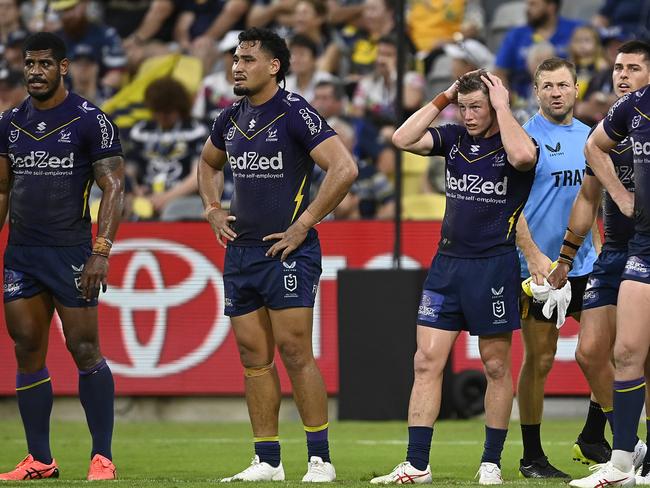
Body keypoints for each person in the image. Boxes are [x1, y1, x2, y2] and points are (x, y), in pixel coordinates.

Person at [197, 27, 357, 482]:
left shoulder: (294, 113)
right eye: (236, 58)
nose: (237, 66)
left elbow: (344, 168)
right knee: (253, 357)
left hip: (287, 252)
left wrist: (303, 225)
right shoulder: (229, 118)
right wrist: (211, 208)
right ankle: (267, 460)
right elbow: (208, 164)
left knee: (294, 351)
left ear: (273, 67)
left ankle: (319, 459)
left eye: (248, 58)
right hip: (241, 251)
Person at [370, 69, 537, 485]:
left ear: (496, 103)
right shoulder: (454, 140)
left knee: (496, 366)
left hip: (494, 267)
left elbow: (523, 159)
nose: (468, 115)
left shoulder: (516, 141)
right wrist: (444, 97)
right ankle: (417, 464)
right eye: (464, 108)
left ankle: (491, 461)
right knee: (426, 361)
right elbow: (402, 139)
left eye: (476, 106)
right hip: (447, 266)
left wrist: (501, 107)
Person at [0, 32, 125, 481]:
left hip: (72, 253)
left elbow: (114, 187)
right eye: (29, 63)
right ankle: (39, 458)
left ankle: (102, 456)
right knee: (27, 349)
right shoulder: (9, 122)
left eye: (44, 64)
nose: (35, 71)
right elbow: (1, 189)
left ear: (64, 67)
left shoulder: (92, 121)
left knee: (84, 348)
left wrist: (101, 251)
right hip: (22, 255)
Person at [547, 40, 650, 488]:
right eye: (617, 68)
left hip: (641, 250)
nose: (622, 75)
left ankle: (629, 452)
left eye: (633, 68)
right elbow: (588, 198)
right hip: (615, 254)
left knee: (635, 353)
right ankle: (628, 444)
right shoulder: (616, 128)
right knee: (592, 351)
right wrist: (566, 258)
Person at [514, 57, 594, 479]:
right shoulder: (525, 139)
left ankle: (595, 434)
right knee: (540, 359)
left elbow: (595, 201)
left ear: (577, 88)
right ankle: (531, 456)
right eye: (548, 86)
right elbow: (512, 206)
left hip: (587, 264)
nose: (556, 92)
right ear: (537, 91)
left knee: (608, 351)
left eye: (563, 84)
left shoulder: (593, 138)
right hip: (542, 273)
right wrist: (532, 257)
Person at [494, 0, 582, 103]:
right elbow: (500, 72)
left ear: (551, 6)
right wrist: (507, 100)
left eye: (533, 4)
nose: (528, 9)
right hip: (523, 101)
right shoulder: (516, 35)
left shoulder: (575, 30)